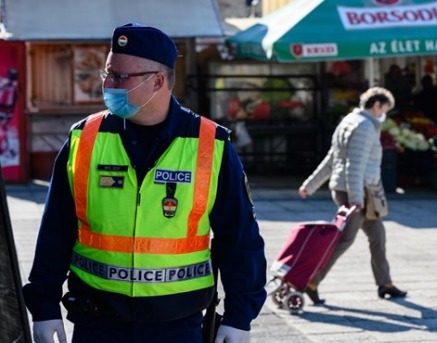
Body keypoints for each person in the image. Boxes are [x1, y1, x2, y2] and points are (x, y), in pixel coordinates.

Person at [22, 23, 266, 343]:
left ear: (158, 81)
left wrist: (239, 317)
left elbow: (239, 237)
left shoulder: (211, 144)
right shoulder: (86, 138)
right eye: (107, 73)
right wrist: (44, 305)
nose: (108, 83)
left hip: (177, 326)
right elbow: (56, 227)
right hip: (96, 321)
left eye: (120, 77)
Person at [298, 87, 407, 304]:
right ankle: (311, 281)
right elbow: (353, 165)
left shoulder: (348, 121)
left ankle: (385, 283)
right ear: (376, 105)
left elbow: (332, 159)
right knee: (344, 240)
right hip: (357, 192)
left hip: (354, 190)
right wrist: (356, 199)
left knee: (378, 236)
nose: (384, 115)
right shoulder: (365, 127)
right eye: (384, 109)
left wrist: (309, 185)